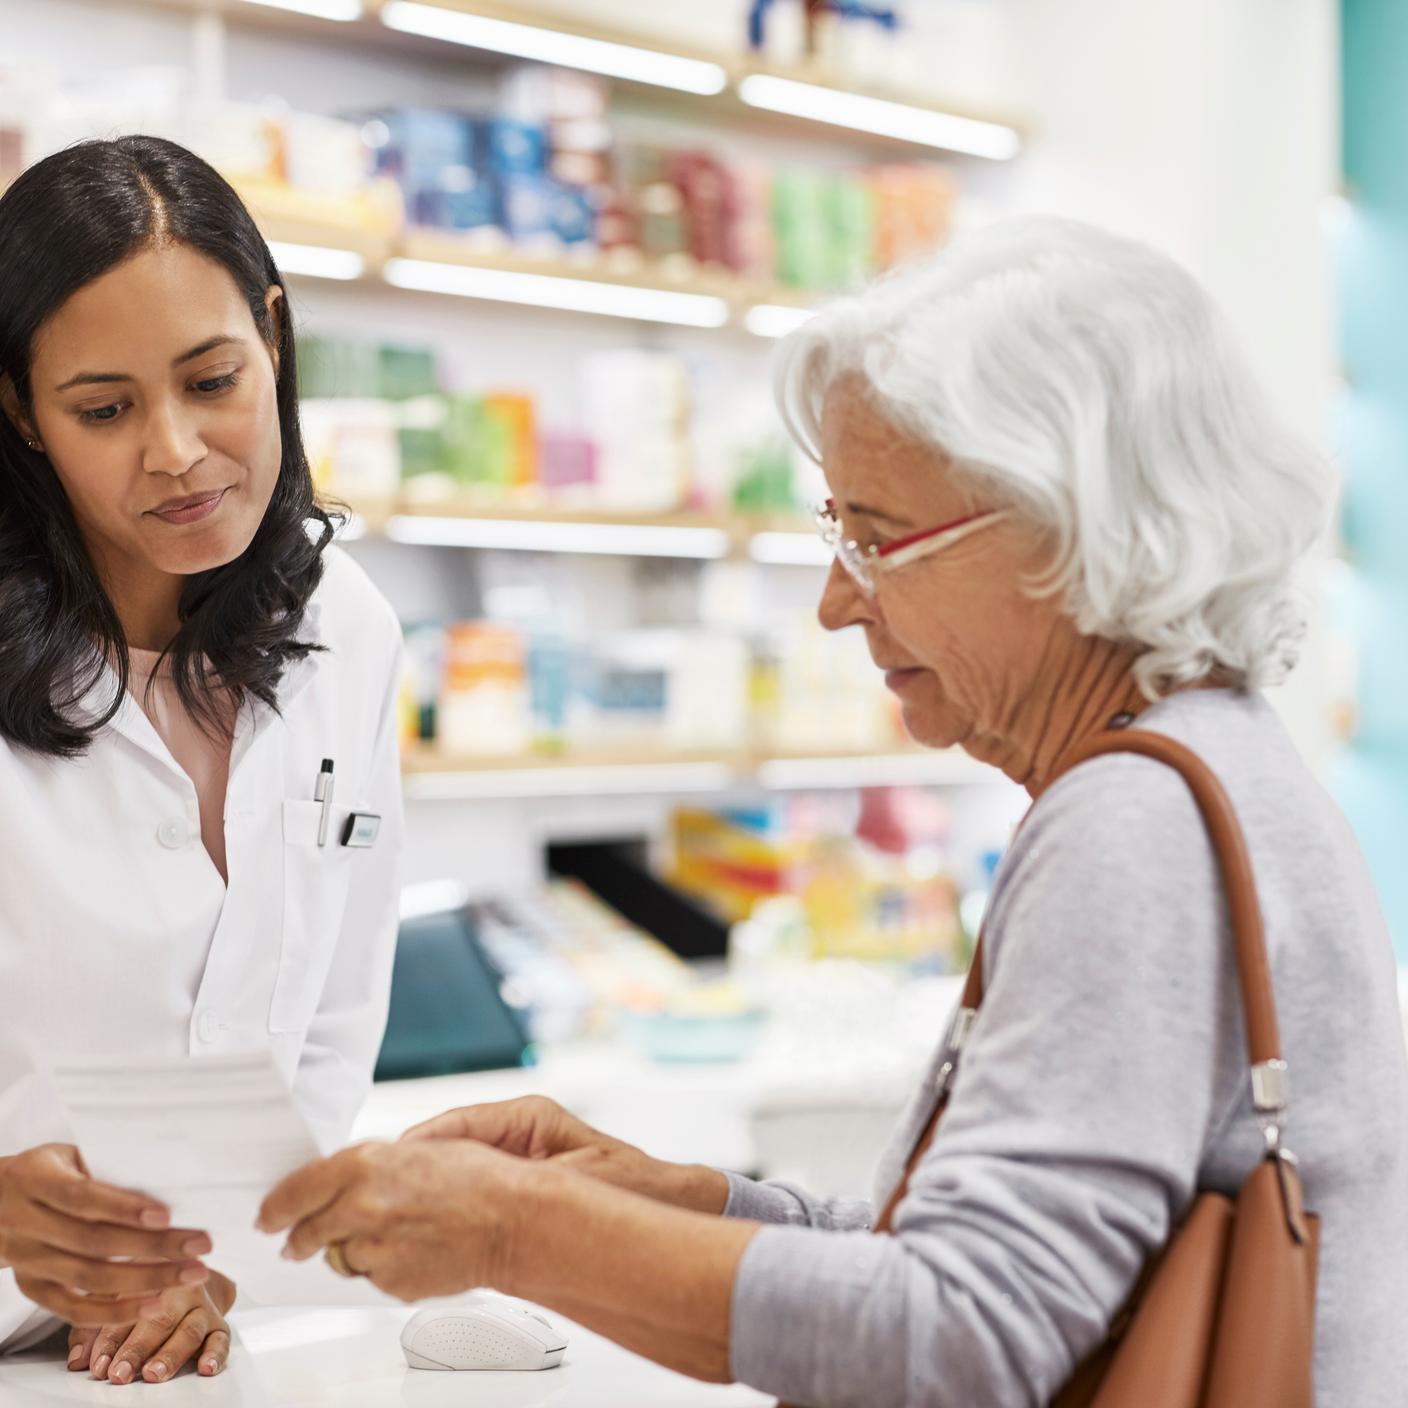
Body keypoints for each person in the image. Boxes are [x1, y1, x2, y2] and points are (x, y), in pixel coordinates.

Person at [260, 218, 1408, 1407]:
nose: (832, 603)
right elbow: (1008, 1264)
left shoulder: (1133, 823)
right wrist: (674, 1202)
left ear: (1068, 530)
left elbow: (962, 1339)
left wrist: (521, 1231)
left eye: (875, 535)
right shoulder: (1217, 764)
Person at [0, 136, 404, 1385]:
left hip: (210, 1344)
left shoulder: (352, 629)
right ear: (21, 411)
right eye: (105, 409)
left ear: (272, 339)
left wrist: (219, 1260)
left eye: (212, 379)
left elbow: (334, 1023)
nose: (174, 450)